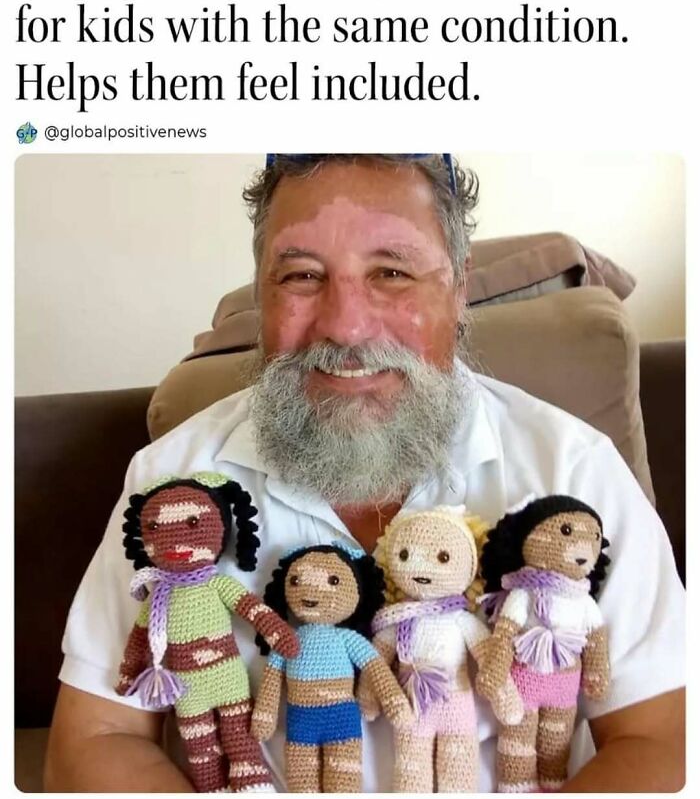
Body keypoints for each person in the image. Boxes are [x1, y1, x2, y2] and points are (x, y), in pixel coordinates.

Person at [45, 154, 685, 792]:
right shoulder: (174, 480)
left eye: (392, 272)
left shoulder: (573, 468)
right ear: (262, 290)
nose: (345, 324)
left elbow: (664, 738)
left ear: (459, 287)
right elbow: (99, 737)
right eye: (301, 275)